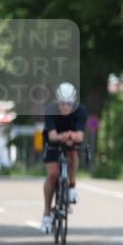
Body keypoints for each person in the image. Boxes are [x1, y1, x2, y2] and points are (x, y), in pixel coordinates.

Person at [41, 82, 87, 233]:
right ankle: (46, 214)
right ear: (57, 101)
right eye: (62, 103)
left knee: (73, 153)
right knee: (53, 175)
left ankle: (72, 186)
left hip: (70, 143)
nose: (65, 107)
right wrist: (66, 136)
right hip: (52, 143)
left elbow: (80, 136)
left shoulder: (80, 111)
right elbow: (52, 136)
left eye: (69, 104)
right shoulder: (50, 110)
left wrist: (70, 137)